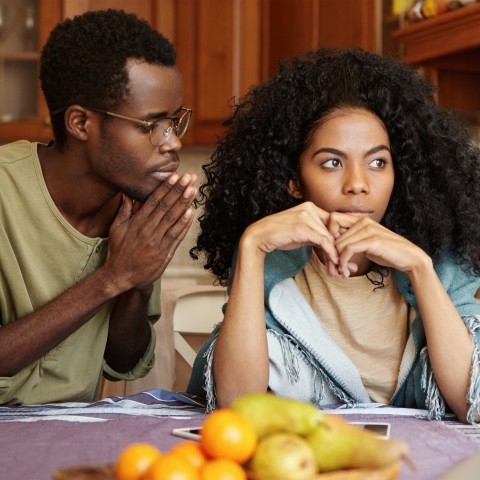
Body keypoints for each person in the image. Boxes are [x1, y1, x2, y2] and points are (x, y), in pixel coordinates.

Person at [187, 48, 480, 424]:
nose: (358, 184)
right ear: (294, 181)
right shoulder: (273, 266)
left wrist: (419, 267)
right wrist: (251, 245)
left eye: (378, 162)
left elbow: (473, 401)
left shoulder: (442, 261)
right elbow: (236, 406)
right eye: (332, 163)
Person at [0, 9, 197, 405]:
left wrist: (139, 280)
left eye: (174, 122)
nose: (172, 142)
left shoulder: (136, 206)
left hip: (76, 432)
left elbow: (122, 360)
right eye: (150, 125)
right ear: (81, 123)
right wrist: (113, 276)